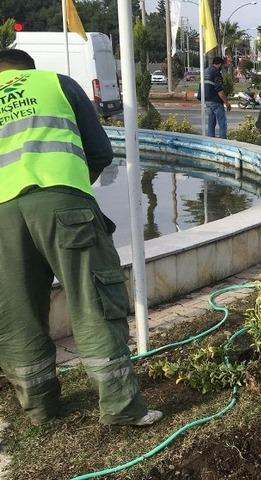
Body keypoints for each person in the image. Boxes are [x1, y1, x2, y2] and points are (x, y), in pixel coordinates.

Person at [0, 49, 162, 427]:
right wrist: (69, 188)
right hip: (64, 205)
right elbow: (101, 151)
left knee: (16, 313)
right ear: (28, 68)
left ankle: (40, 409)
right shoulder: (57, 84)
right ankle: (121, 408)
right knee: (94, 301)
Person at [203, 57, 231, 138]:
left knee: (211, 122)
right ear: (219, 64)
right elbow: (219, 90)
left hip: (207, 101)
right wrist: (227, 103)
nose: (222, 67)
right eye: (222, 65)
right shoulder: (216, 73)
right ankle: (223, 141)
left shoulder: (205, 71)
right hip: (216, 101)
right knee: (222, 123)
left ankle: (211, 141)